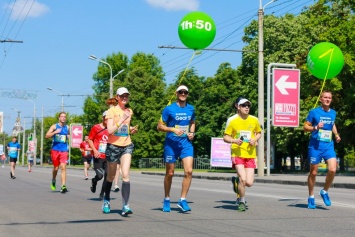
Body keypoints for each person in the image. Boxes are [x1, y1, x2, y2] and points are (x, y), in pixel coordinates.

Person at [157, 85, 196, 213]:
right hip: (171, 144)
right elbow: (159, 126)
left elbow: (192, 122)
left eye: (185, 92)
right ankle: (167, 198)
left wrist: (191, 133)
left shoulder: (191, 108)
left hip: (186, 144)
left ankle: (182, 200)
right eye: (181, 92)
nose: (183, 94)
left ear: (188, 94)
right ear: (176, 93)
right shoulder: (169, 109)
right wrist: (172, 129)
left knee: (189, 171)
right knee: (170, 173)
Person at [101, 87, 138, 216]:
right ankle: (106, 200)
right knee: (111, 176)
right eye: (122, 96)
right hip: (113, 146)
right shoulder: (111, 111)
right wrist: (122, 119)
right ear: (117, 97)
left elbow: (125, 128)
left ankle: (125, 205)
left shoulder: (129, 111)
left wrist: (131, 129)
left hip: (127, 145)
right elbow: (110, 130)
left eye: (126, 96)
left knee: (126, 175)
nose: (124, 98)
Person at [303, 91, 341, 209]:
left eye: (329, 98)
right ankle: (311, 197)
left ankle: (324, 191)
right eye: (325, 97)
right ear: (320, 99)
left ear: (331, 100)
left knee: (333, 169)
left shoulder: (333, 113)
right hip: (315, 146)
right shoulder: (314, 112)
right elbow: (305, 127)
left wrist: (336, 134)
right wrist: (315, 127)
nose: (327, 99)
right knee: (313, 172)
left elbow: (332, 124)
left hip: (328, 145)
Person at [223, 98, 262, 212]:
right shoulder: (232, 120)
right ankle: (242, 201)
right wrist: (234, 140)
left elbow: (259, 133)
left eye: (248, 105)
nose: (247, 107)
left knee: (249, 183)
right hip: (237, 153)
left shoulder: (254, 120)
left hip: (250, 154)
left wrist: (254, 139)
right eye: (244, 105)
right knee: (243, 179)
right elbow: (225, 136)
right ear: (238, 107)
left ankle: (236, 182)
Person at [45, 112, 70, 193]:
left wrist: (69, 137)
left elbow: (71, 137)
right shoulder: (54, 126)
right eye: (62, 116)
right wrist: (55, 132)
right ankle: (53, 179)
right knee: (56, 168)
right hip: (55, 150)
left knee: (63, 167)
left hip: (64, 150)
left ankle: (63, 186)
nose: (63, 118)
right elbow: (47, 136)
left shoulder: (67, 127)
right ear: (59, 118)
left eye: (64, 117)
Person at [88, 111, 109, 201]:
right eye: (106, 118)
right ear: (103, 118)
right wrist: (94, 150)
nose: (108, 120)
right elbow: (90, 139)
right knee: (100, 176)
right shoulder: (96, 128)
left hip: (108, 156)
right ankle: (94, 181)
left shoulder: (112, 128)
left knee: (107, 175)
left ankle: (102, 194)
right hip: (98, 156)